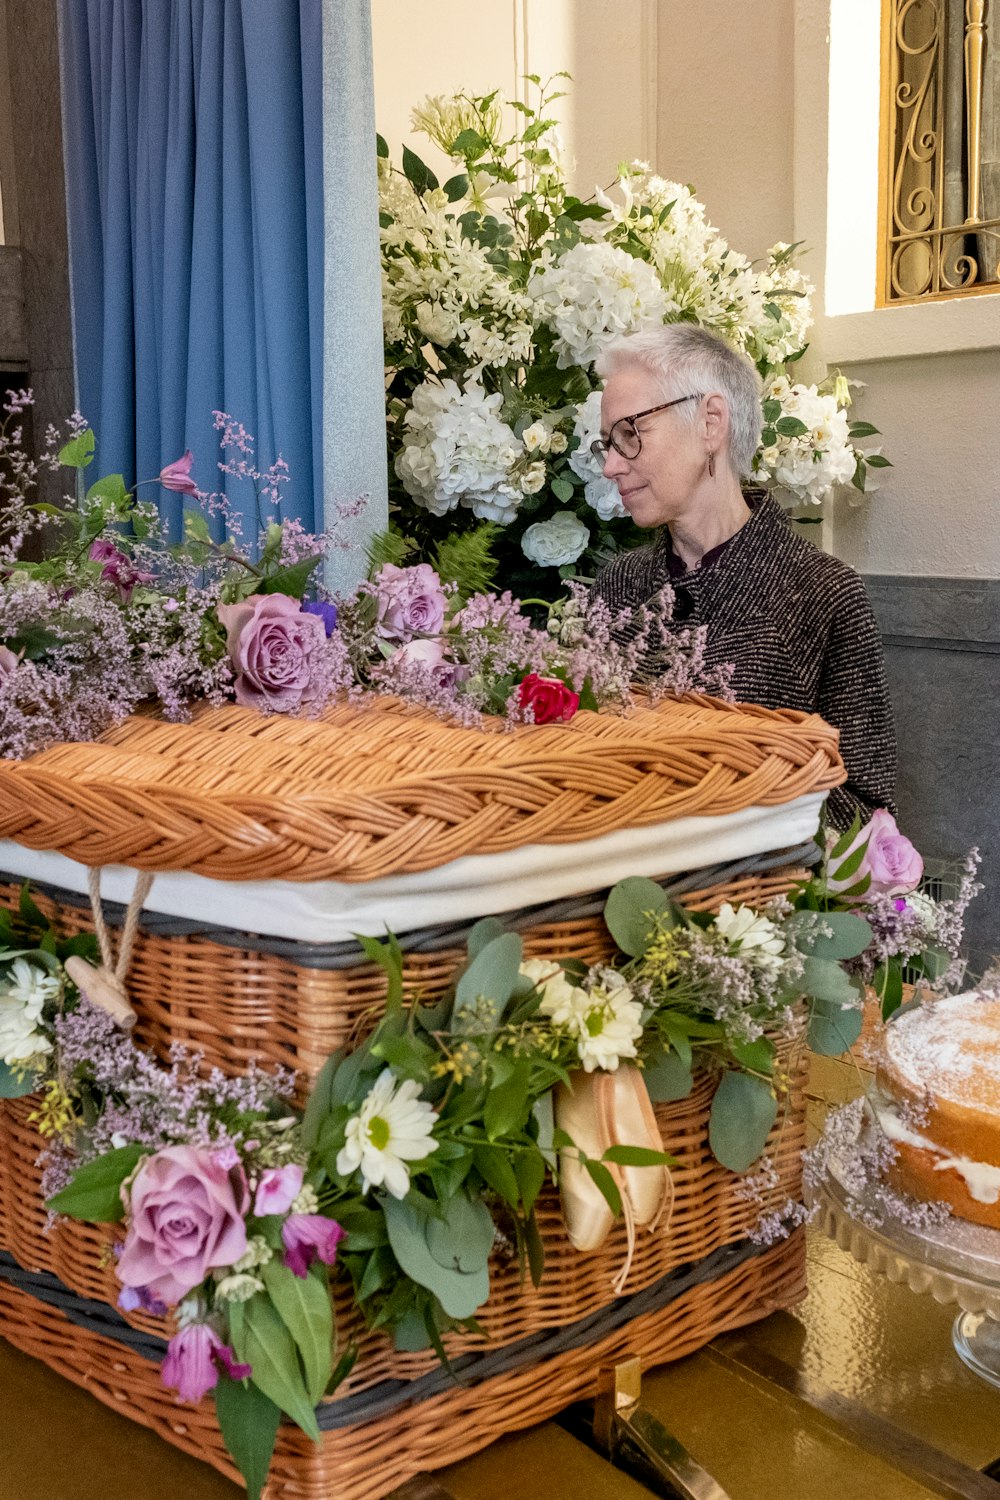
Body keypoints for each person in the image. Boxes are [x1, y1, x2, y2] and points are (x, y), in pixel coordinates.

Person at [589, 324, 896, 828]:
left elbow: (864, 808)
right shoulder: (618, 585)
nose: (611, 467)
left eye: (629, 434)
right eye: (607, 443)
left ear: (711, 422)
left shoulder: (823, 595)